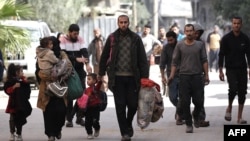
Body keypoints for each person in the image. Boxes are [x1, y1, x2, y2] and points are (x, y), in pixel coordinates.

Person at [98, 15, 149, 141]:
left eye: (125, 22)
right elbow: (104, 57)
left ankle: (128, 123)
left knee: (132, 105)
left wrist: (144, 78)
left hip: (133, 78)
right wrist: (101, 72)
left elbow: (142, 60)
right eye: (121, 22)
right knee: (120, 106)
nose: (123, 24)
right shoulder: (112, 38)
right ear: (118, 23)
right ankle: (124, 133)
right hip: (117, 78)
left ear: (129, 23)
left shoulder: (136, 38)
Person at [168, 24, 209, 133]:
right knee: (185, 102)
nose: (189, 33)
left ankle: (195, 114)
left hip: (197, 76)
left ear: (194, 32)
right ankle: (189, 124)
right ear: (185, 32)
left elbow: (204, 60)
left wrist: (206, 75)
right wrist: (172, 75)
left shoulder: (200, 45)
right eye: (187, 31)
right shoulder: (180, 45)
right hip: (184, 77)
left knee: (199, 101)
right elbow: (174, 62)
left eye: (191, 31)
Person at [36, 35, 73, 141]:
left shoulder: (62, 55)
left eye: (53, 44)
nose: (52, 46)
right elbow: (38, 72)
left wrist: (60, 76)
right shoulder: (43, 55)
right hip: (46, 90)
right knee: (48, 112)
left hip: (60, 89)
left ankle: (58, 129)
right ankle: (50, 134)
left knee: (62, 111)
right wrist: (48, 77)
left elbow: (69, 67)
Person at [219, 16, 250, 124]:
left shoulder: (245, 38)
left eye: (238, 23)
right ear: (232, 25)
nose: (236, 25)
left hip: (242, 69)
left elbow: (249, 54)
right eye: (234, 23)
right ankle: (229, 107)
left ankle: (239, 117)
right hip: (230, 69)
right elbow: (221, 54)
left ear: (241, 25)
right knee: (233, 89)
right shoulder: (226, 38)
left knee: (242, 92)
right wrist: (220, 70)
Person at [60, 24, 92, 127]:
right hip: (68, 71)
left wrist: (87, 64)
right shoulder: (63, 40)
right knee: (70, 96)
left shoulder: (80, 40)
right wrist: (75, 59)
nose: (76, 35)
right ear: (69, 32)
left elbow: (85, 52)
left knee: (82, 94)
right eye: (74, 33)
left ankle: (79, 116)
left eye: (77, 33)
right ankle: (69, 119)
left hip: (79, 71)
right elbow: (63, 55)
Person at [159, 31, 184, 125]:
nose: (170, 42)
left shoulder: (182, 46)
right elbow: (162, 64)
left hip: (182, 75)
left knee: (182, 97)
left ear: (175, 38)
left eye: (171, 40)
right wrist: (162, 77)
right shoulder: (165, 48)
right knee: (172, 97)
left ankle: (179, 116)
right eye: (168, 40)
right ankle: (181, 111)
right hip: (171, 77)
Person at [4, 64, 32, 141]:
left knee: (20, 119)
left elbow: (27, 91)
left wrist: (25, 82)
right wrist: (14, 87)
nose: (23, 73)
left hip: (21, 105)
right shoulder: (11, 81)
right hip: (13, 105)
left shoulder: (23, 81)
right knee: (12, 119)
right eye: (21, 71)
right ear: (16, 72)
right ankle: (12, 134)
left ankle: (19, 134)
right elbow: (7, 91)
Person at [193, 23, 210, 127]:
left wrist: (206, 74)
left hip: (199, 74)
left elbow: (204, 60)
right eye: (195, 32)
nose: (196, 34)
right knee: (184, 100)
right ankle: (181, 115)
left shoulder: (201, 43)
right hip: (186, 75)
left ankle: (200, 118)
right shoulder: (183, 43)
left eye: (198, 33)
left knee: (200, 98)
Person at [83, 73, 102, 139]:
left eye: (89, 79)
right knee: (87, 122)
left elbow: (99, 84)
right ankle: (89, 133)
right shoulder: (86, 90)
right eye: (87, 79)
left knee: (95, 121)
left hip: (95, 108)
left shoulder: (95, 88)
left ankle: (97, 128)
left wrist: (99, 80)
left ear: (94, 81)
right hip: (88, 108)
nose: (87, 81)